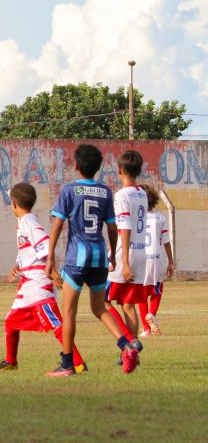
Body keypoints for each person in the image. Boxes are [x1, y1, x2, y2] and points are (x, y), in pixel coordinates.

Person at [46, 144, 139, 376]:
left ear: (76, 165)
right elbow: (112, 228)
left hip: (77, 259)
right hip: (99, 258)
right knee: (100, 308)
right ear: (98, 167)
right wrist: (113, 255)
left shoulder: (68, 190)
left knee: (68, 311)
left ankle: (67, 364)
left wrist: (50, 258)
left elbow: (57, 224)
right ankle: (126, 345)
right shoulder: (106, 191)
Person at [0, 183, 86, 373]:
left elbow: (44, 245)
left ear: (14, 204)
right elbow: (29, 250)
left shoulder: (28, 221)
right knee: (10, 321)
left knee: (56, 323)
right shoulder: (24, 221)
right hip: (27, 284)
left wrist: (52, 274)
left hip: (38, 283)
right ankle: (11, 361)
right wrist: (17, 265)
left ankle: (77, 363)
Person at [103, 150, 149, 355]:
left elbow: (125, 227)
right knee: (129, 304)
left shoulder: (122, 194)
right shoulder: (142, 193)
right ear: (139, 170)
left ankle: (129, 341)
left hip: (125, 255)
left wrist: (124, 262)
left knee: (102, 302)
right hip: (141, 252)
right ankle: (131, 353)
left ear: (119, 170)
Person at [136, 185, 175, 337]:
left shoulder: (136, 218)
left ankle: (146, 329)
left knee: (141, 295)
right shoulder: (160, 218)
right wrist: (171, 262)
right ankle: (151, 314)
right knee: (157, 291)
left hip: (139, 259)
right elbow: (166, 241)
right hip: (156, 259)